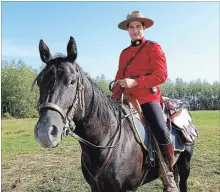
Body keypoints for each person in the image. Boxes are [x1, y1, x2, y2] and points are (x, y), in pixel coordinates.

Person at [112, 10, 178, 192]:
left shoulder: (153, 47)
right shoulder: (124, 53)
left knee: (160, 129)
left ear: (144, 28)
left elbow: (161, 75)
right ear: (128, 30)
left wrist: (136, 81)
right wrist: (113, 98)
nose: (134, 30)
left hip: (148, 98)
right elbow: (119, 78)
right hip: (126, 98)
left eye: (138, 27)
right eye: (131, 27)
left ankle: (168, 176)